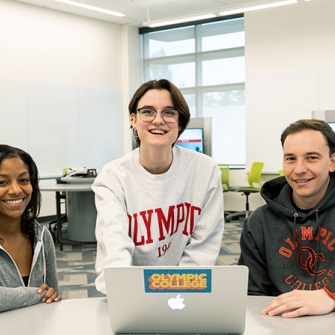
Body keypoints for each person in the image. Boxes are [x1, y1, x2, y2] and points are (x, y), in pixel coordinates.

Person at [92, 79, 225, 294]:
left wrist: (178, 292)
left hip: (187, 290)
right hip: (130, 292)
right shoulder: (113, 176)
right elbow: (115, 247)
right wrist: (128, 294)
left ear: (180, 122)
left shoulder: (205, 170)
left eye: (169, 112)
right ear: (133, 120)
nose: (158, 120)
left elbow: (203, 248)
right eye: (148, 112)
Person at [238, 118, 335, 318]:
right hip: (281, 323)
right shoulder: (258, 223)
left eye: (311, 158)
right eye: (290, 158)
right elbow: (252, 296)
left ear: (332, 162)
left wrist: (330, 296)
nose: (299, 169)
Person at [0, 144, 61, 312]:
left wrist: (49, 296)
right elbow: (43, 294)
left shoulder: (41, 236)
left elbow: (53, 296)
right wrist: (37, 294)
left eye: (23, 180)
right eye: (2, 182)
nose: (15, 190)